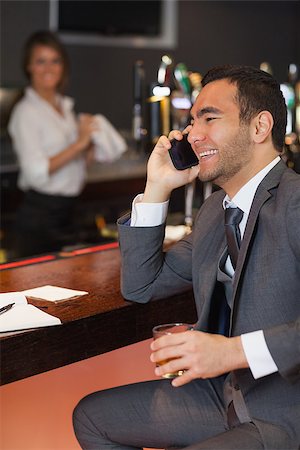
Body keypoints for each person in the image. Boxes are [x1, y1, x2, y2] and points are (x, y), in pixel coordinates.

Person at [72, 65, 300, 449]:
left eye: (209, 118)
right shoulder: (216, 212)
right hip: (224, 395)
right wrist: (157, 188)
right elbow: (142, 285)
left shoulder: (296, 202)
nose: (193, 134)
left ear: (260, 127)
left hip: (285, 411)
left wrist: (231, 351)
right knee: (92, 418)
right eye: (192, 121)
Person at [8, 30, 96, 258]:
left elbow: (74, 166)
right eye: (41, 61)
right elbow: (36, 172)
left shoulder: (64, 107)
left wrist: (88, 149)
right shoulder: (25, 112)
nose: (49, 68)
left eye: (55, 61)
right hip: (40, 220)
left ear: (63, 66)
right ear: (29, 66)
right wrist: (79, 144)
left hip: (68, 212)